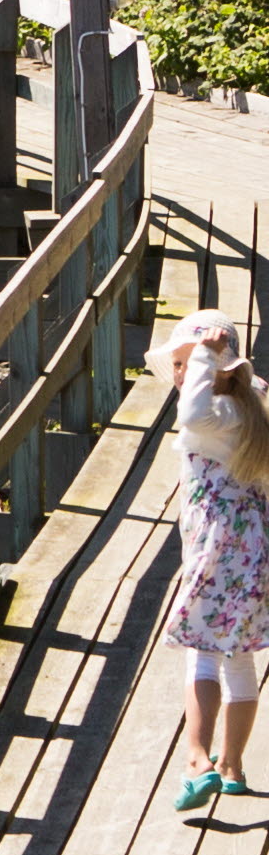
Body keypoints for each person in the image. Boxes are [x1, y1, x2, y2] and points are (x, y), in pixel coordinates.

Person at [163, 309, 269, 815]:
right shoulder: (251, 411)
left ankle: (197, 760)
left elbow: (191, 415)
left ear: (219, 370)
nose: (183, 375)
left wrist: (205, 355)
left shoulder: (219, 414)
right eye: (181, 365)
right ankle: (232, 768)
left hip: (216, 548)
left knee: (202, 652)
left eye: (189, 365)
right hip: (251, 551)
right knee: (240, 660)